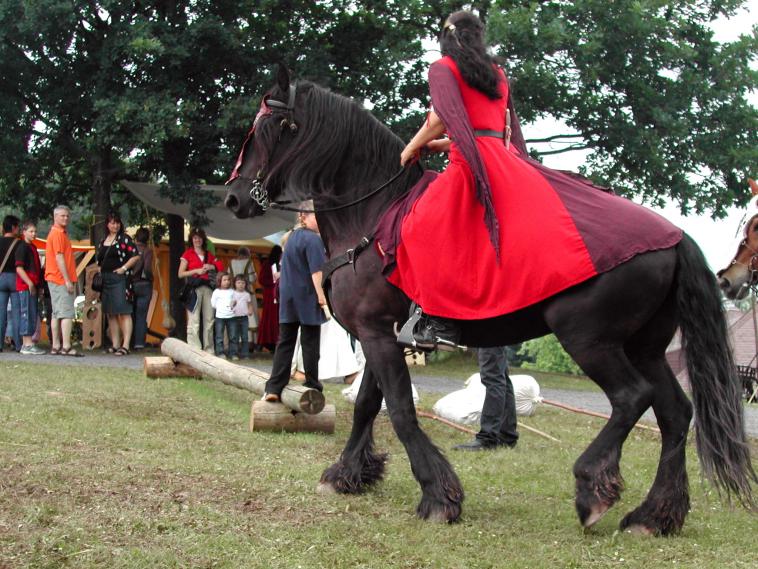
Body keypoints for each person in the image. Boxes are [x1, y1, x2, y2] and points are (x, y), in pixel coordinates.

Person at [385, 11, 617, 351]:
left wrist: (411, 147)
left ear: (448, 39)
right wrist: (442, 144)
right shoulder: (497, 74)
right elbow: (491, 128)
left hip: (471, 163)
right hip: (503, 159)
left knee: (417, 228)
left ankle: (439, 321)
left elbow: (439, 119)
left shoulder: (443, 68)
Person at [263, 206, 327, 401]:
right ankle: (312, 383)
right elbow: (317, 272)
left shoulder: (291, 238)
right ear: (303, 216)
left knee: (285, 342)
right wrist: (322, 298)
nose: (320, 220)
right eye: (317, 215)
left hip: (288, 296)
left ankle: (274, 387)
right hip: (306, 295)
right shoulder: (313, 239)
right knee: (310, 343)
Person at [454, 346, 519, 450]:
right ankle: (506, 435)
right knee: (500, 375)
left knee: (493, 376)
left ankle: (488, 438)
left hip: (491, 331)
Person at [96, 212, 140, 355]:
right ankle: (115, 344)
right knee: (111, 313)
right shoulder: (103, 240)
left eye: (117, 223)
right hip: (106, 279)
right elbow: (99, 259)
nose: (115, 225)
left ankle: (125, 345)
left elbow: (136, 255)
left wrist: (124, 268)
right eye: (112, 223)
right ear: (107, 225)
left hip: (120, 279)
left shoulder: (124, 239)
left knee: (124, 312)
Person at [45, 205, 83, 356]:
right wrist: (67, 280)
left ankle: (56, 345)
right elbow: (59, 257)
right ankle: (66, 346)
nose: (65, 218)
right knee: (66, 313)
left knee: (56, 314)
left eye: (67, 215)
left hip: (54, 278)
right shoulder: (58, 234)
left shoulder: (56, 233)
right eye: (62, 216)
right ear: (55, 217)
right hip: (60, 279)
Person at [178, 227, 223, 352]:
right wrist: (196, 271)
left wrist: (211, 266)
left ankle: (209, 350)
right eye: (195, 238)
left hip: (208, 288)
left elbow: (220, 265)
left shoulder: (209, 254)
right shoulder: (187, 254)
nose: (197, 240)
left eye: (199, 238)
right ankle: (194, 349)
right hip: (194, 289)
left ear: (203, 240)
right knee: (194, 320)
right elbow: (180, 274)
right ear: (191, 240)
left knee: (209, 320)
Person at [15, 220, 45, 355]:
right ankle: (26, 344)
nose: (34, 234)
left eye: (35, 231)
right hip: (25, 285)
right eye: (31, 231)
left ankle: (29, 342)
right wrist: (29, 283)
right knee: (26, 312)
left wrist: (38, 286)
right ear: (24, 232)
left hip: (32, 285)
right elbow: (19, 268)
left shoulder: (32, 247)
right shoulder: (22, 247)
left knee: (32, 313)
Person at [229, 246, 259, 348]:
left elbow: (229, 277)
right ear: (247, 254)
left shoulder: (231, 262)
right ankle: (250, 342)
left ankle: (237, 343)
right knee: (250, 318)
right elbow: (252, 278)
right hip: (247, 292)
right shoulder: (249, 262)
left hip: (235, 292)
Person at [0, 215, 21, 352]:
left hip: (1, 278)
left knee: (1, 312)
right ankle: (18, 344)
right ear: (13, 227)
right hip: (15, 278)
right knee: (16, 312)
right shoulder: (19, 243)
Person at [131, 227, 154, 350]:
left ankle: (128, 341)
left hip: (131, 283)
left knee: (130, 314)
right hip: (144, 284)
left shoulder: (131, 249)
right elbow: (147, 269)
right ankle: (139, 343)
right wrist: (152, 278)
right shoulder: (147, 251)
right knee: (141, 315)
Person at [257, 244, 281, 351]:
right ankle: (269, 341)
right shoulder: (267, 264)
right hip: (270, 295)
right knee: (271, 318)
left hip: (279, 293)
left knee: (278, 318)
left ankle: (277, 341)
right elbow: (262, 279)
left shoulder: (282, 264)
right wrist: (274, 282)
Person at [210, 271, 235, 359]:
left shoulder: (232, 291)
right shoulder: (216, 292)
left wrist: (233, 304)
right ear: (219, 281)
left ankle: (233, 353)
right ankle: (220, 353)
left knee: (232, 336)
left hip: (231, 317)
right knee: (219, 336)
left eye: (228, 279)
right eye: (224, 280)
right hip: (220, 317)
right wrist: (220, 308)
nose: (227, 281)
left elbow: (235, 302)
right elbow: (213, 304)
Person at [230, 274, 254, 360]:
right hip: (234, 318)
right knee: (234, 336)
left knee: (245, 336)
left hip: (244, 318)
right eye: (238, 282)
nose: (240, 285)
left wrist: (250, 310)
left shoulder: (247, 294)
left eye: (243, 283)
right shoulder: (232, 293)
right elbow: (230, 304)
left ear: (245, 284)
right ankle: (234, 354)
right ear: (235, 283)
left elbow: (249, 304)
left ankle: (245, 354)